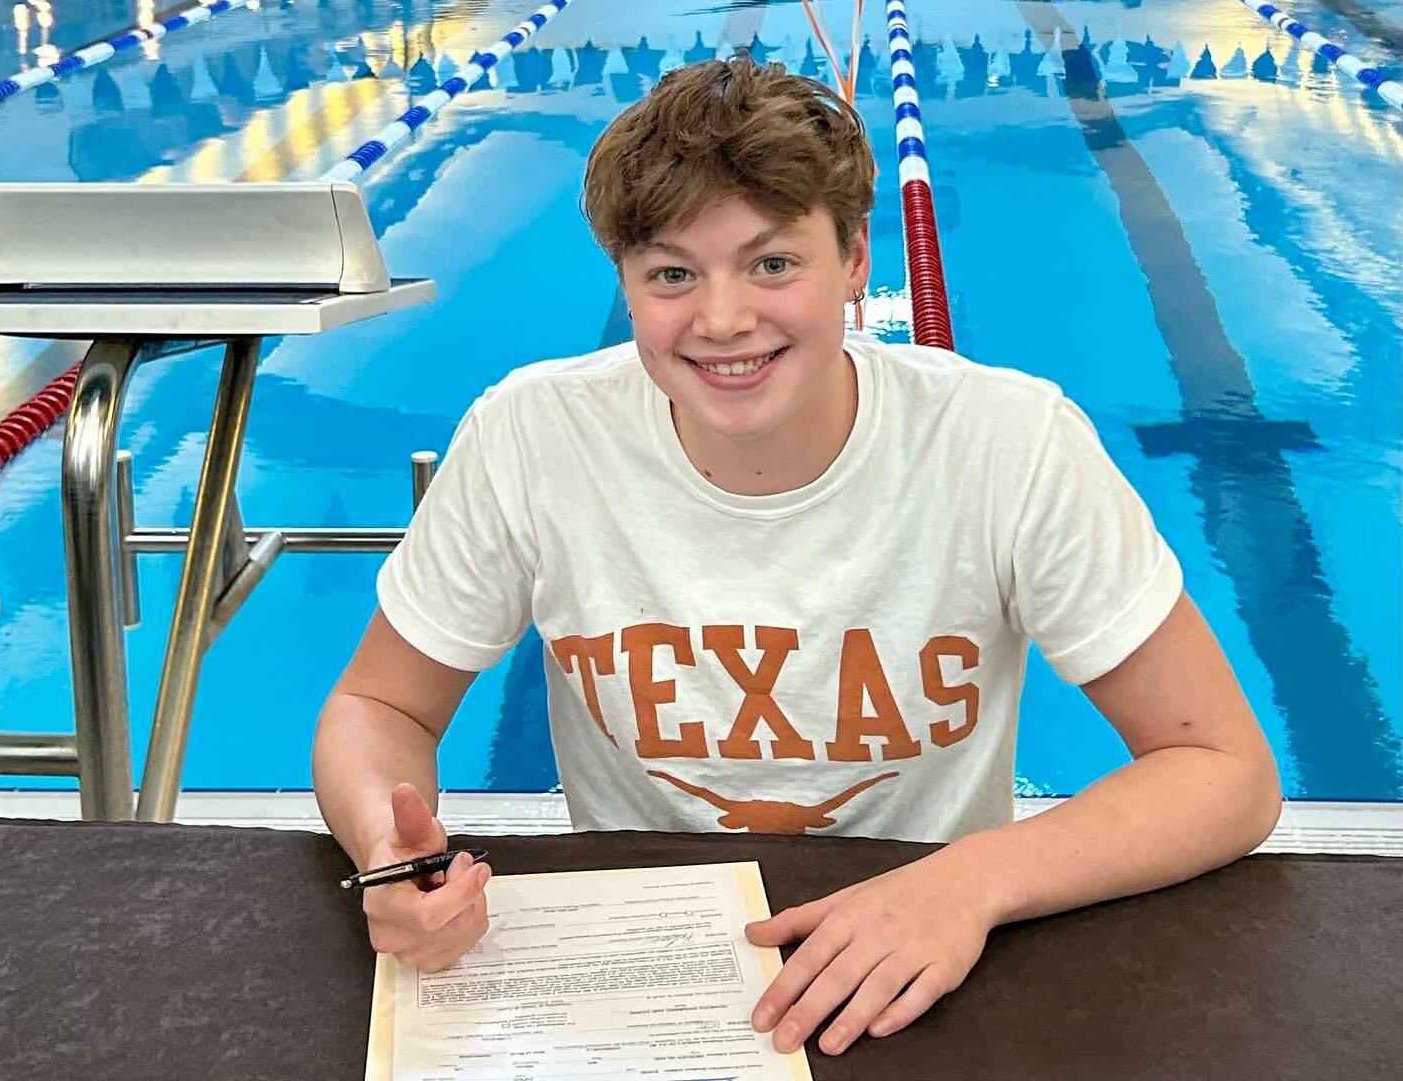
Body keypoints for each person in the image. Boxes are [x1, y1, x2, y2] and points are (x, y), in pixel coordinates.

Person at [314, 56, 1281, 1059]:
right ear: (626, 283)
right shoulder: (534, 436)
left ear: (858, 257)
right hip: (651, 974)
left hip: (927, 966)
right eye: (672, 274)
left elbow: (1222, 769)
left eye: (773, 265)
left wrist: (974, 879)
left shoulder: (1007, 443)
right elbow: (380, 706)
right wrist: (388, 857)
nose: (723, 320)